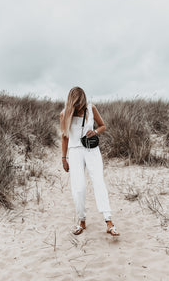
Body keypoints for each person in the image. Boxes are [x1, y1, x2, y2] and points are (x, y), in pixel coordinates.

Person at [60, 86, 120, 236]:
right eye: (76, 104)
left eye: (80, 103)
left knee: (99, 182)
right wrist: (63, 158)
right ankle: (82, 220)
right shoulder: (64, 114)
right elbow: (64, 137)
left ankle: (109, 221)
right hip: (74, 152)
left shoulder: (90, 108)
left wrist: (95, 131)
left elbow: (103, 126)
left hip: (91, 150)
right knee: (78, 188)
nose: (79, 107)